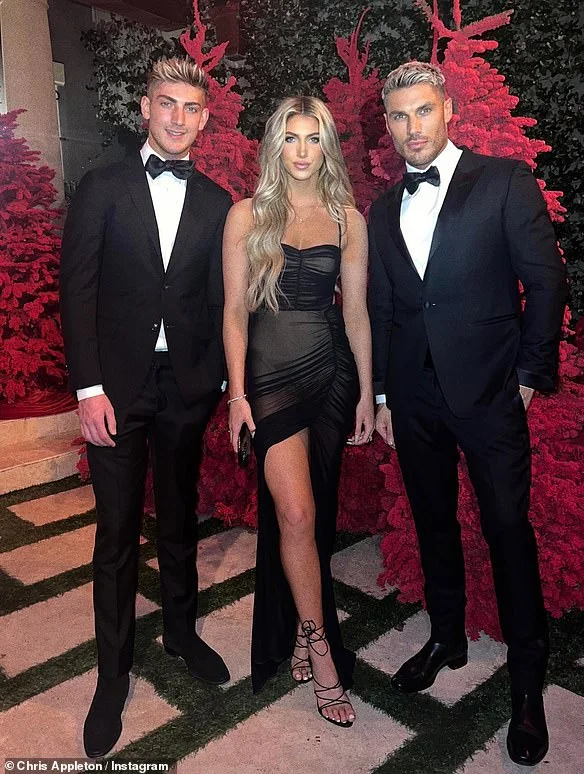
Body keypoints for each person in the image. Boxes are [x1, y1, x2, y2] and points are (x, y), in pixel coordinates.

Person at [368, 62, 567, 765]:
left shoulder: (504, 182)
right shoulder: (382, 209)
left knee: (508, 530)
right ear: (387, 124)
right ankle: (446, 638)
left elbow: (545, 280)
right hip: (414, 398)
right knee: (433, 523)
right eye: (399, 116)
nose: (412, 127)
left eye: (423, 110)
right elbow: (385, 307)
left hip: (489, 394)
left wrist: (530, 376)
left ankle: (527, 683)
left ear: (448, 109)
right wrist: (384, 395)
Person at [60, 57, 232, 759]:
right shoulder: (102, 186)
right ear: (145, 107)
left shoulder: (219, 202)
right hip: (116, 389)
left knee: (182, 520)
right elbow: (77, 291)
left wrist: (218, 382)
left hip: (186, 387)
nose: (178, 118)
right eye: (167, 103)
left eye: (191, 107)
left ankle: (182, 634)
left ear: (205, 118)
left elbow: (222, 301)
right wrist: (88, 389)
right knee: (116, 534)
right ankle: (113, 676)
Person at [223, 96, 373, 727]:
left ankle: (300, 625)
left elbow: (356, 313)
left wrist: (366, 393)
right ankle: (319, 645)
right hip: (270, 381)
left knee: (316, 518)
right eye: (292, 138)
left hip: (331, 374)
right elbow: (234, 311)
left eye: (314, 138)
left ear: (327, 146)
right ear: (275, 146)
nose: (303, 150)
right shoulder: (247, 214)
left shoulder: (348, 218)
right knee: (296, 512)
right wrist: (237, 395)